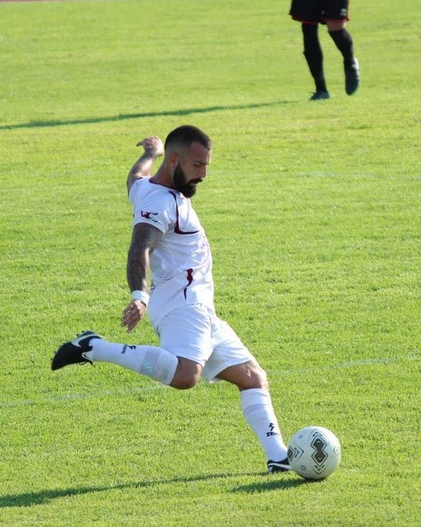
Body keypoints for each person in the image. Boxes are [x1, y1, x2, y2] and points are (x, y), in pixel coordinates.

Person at [52, 125, 291, 474]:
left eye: (206, 165)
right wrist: (139, 296)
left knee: (252, 377)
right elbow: (139, 249)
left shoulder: (146, 189)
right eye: (197, 165)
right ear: (176, 161)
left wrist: (151, 153)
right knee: (185, 375)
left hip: (201, 307)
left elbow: (134, 178)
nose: (203, 174)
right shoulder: (161, 204)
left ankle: (279, 457)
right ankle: (94, 347)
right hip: (183, 303)